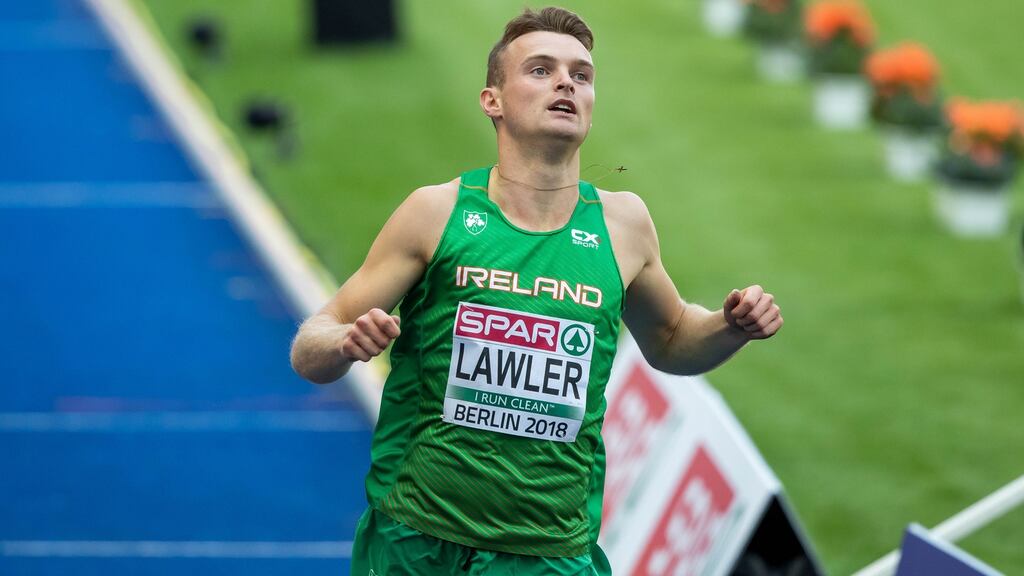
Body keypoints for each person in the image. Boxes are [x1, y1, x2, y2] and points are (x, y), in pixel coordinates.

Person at [290, 6, 782, 575]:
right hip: (419, 543)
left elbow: (671, 341)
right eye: (541, 70)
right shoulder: (436, 213)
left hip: (550, 555)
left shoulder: (622, 226)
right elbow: (310, 349)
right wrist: (346, 341)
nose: (566, 83)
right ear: (491, 101)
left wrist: (731, 326)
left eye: (582, 74)